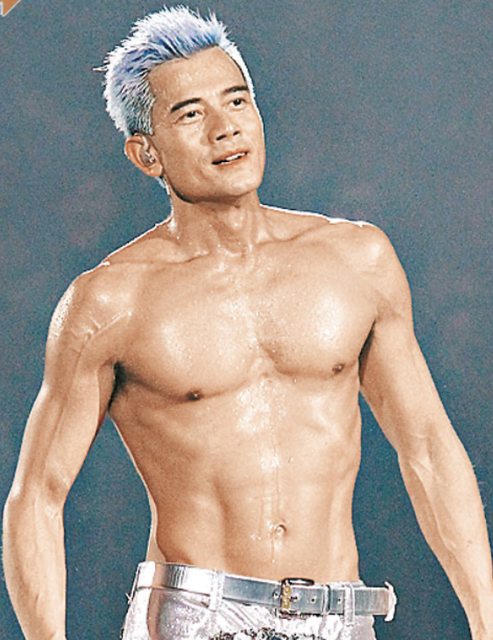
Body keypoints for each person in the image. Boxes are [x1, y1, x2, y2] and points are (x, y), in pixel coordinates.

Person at [3, 6, 492, 640]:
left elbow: (427, 446)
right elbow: (38, 495)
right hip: (195, 615)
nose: (225, 128)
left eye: (237, 101)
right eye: (191, 114)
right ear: (146, 154)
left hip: (342, 614)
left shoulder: (357, 259)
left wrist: (486, 620)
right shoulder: (110, 300)